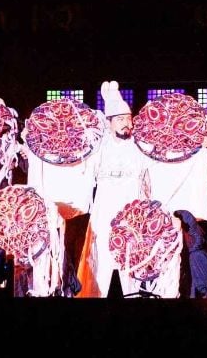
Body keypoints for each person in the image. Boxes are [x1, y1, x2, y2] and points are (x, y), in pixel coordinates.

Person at [76, 81, 154, 298]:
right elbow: (75, 164)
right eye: (120, 119)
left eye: (128, 119)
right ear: (109, 123)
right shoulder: (99, 147)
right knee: (99, 260)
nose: (126, 124)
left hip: (132, 214)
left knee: (131, 260)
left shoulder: (140, 146)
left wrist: (203, 154)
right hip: (104, 212)